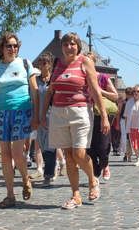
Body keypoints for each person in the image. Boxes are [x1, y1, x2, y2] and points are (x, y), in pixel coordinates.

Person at [41, 32, 110, 209]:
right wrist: (41, 116)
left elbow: (95, 90)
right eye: (65, 44)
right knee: (69, 158)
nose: (69, 47)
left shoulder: (84, 62)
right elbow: (50, 91)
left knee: (79, 154)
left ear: (78, 46)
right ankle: (75, 195)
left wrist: (103, 116)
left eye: (72, 44)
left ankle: (93, 180)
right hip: (58, 113)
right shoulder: (57, 63)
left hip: (80, 112)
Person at [0, 32, 39, 208]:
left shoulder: (25, 64)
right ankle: (10, 195)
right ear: (1, 48)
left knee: (18, 154)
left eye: (15, 46)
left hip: (21, 110)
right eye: (8, 46)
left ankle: (25, 179)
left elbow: (34, 91)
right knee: (5, 155)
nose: (12, 49)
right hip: (2, 114)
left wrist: (37, 115)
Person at [86, 52, 118, 181]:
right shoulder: (82, 78)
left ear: (93, 63)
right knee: (90, 146)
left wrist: (100, 91)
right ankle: (96, 171)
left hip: (102, 114)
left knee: (103, 145)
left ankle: (105, 164)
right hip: (88, 114)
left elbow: (116, 96)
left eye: (89, 61)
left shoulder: (103, 78)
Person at [33, 53, 58, 187]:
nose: (40, 65)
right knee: (42, 145)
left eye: (43, 63)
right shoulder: (36, 81)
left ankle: (48, 175)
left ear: (49, 65)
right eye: (39, 63)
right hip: (39, 116)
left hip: (52, 117)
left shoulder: (53, 80)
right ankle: (53, 167)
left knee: (50, 146)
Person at [116, 87, 134, 161]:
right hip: (123, 121)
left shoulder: (134, 102)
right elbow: (118, 113)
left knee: (132, 137)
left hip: (132, 121)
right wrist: (117, 124)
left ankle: (132, 152)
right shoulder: (123, 103)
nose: (129, 95)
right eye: (128, 93)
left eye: (131, 94)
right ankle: (125, 153)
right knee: (124, 138)